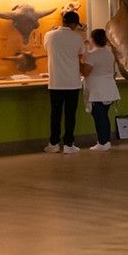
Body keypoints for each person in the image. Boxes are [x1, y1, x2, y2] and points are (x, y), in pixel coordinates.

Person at [44, 9, 86, 154]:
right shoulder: (77, 38)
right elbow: (81, 57)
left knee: (55, 114)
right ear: (74, 24)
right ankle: (69, 144)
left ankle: (54, 143)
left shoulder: (49, 35)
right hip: (73, 83)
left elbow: (47, 49)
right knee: (70, 114)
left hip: (55, 82)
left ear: (63, 21)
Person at [81, 28, 119, 150]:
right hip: (109, 88)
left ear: (92, 39)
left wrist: (78, 61)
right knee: (104, 115)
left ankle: (103, 142)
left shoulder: (93, 55)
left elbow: (85, 72)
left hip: (97, 90)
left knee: (99, 116)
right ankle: (105, 141)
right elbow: (113, 72)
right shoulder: (109, 53)